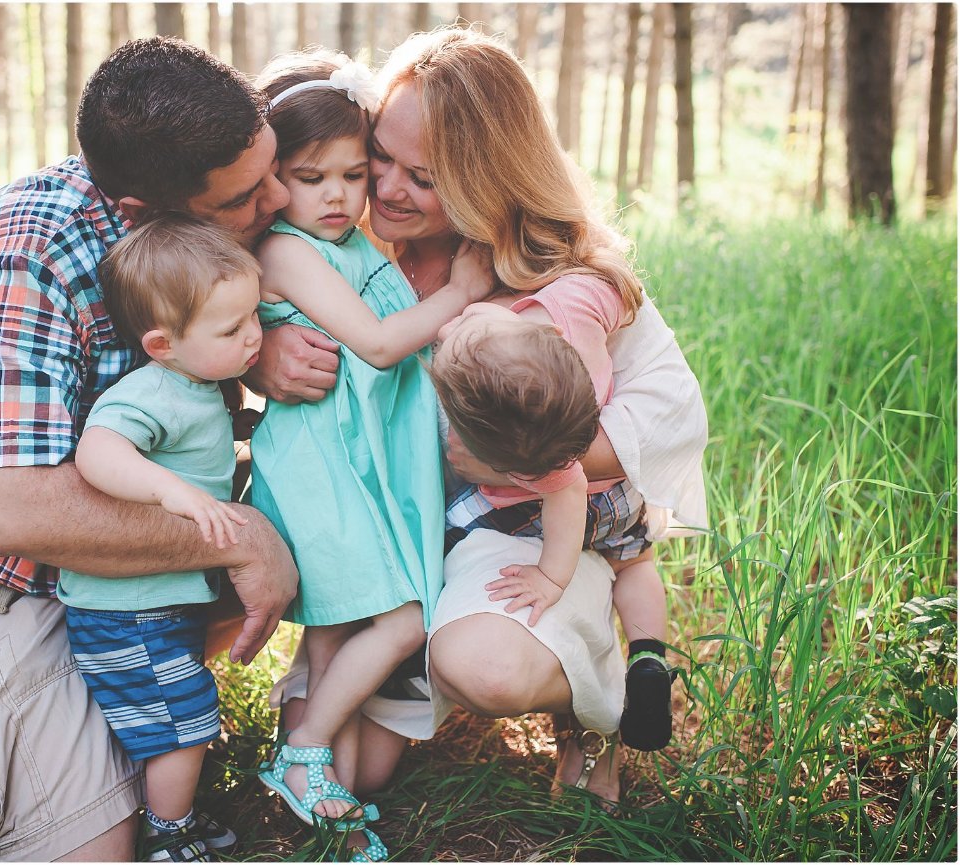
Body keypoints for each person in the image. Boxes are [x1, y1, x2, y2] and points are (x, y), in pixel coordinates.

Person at [0, 37, 296, 862]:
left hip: (101, 553)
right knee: (94, 848)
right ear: (138, 212)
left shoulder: (208, 200)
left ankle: (82, 710)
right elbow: (9, 513)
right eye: (244, 197)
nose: (279, 196)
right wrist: (239, 536)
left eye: (271, 168)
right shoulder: (25, 255)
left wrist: (282, 338)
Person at [248, 27, 707, 808]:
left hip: (519, 525)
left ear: (481, 181)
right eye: (377, 158)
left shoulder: (548, 291)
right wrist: (266, 349)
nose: (382, 188)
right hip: (394, 529)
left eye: (419, 176)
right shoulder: (351, 225)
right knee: (358, 774)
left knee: (484, 666)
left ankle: (586, 703)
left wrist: (482, 457)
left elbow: (571, 455)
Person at [244, 51, 491, 860]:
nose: (339, 196)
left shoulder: (354, 247)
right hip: (322, 471)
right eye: (311, 177)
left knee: (334, 640)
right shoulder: (286, 252)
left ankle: (328, 810)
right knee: (403, 618)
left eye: (354, 175)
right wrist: (458, 293)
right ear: (274, 178)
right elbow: (381, 348)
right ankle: (303, 748)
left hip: (363, 467)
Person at [58, 215, 263, 862]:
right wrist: (169, 491)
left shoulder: (198, 380)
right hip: (126, 607)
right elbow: (98, 450)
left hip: (156, 602)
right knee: (185, 717)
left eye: (255, 317)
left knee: (176, 707)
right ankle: (167, 832)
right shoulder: (151, 392)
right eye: (232, 330)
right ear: (160, 344)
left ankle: (174, 810)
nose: (254, 336)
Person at [431, 291, 675, 752]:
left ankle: (616, 673)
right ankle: (649, 656)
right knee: (636, 565)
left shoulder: (542, 470)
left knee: (458, 525)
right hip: (618, 496)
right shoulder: (553, 365)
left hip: (564, 508)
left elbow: (569, 489)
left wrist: (549, 577)